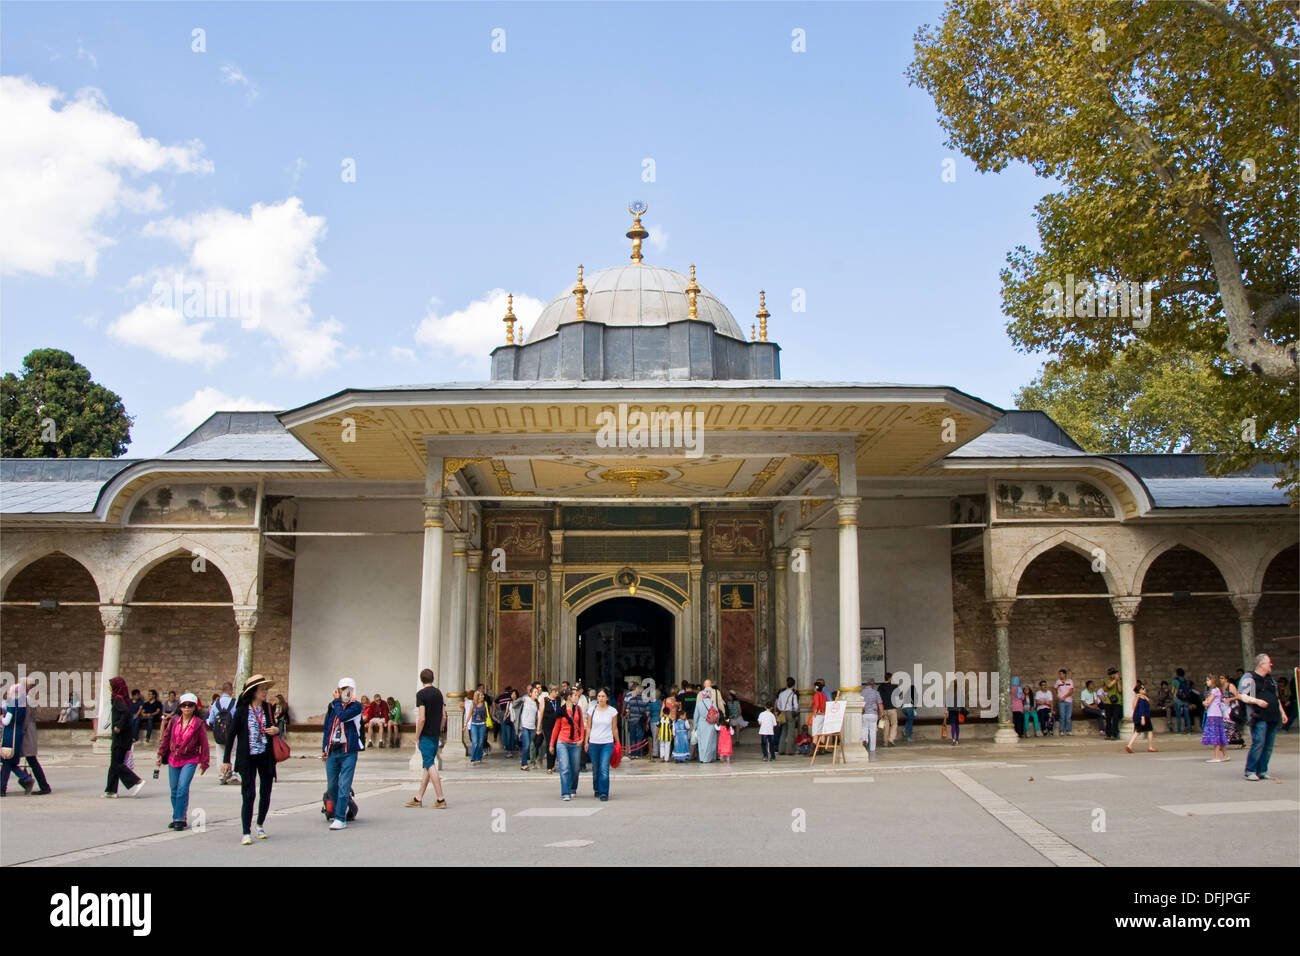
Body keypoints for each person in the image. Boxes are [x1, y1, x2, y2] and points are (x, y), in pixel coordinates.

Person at [222, 673, 280, 844]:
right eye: (262, 689)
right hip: (247, 757)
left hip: (265, 755)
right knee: (248, 794)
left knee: (266, 792)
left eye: (265, 690)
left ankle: (260, 823)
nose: (265, 693)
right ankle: (246, 831)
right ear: (253, 691)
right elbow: (231, 735)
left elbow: (274, 728)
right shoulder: (241, 711)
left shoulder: (268, 708)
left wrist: (275, 730)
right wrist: (226, 760)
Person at [155, 692, 209, 829]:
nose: (187, 709)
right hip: (174, 757)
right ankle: (178, 815)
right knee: (174, 790)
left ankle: (179, 819)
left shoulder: (198, 724)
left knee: (182, 789)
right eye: (184, 706)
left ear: (194, 708)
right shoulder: (174, 720)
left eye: (190, 706)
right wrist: (161, 754)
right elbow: (166, 738)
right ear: (180, 707)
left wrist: (204, 762)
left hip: (190, 758)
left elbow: (204, 743)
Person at [320, 677, 363, 830]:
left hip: (348, 750)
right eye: (343, 689)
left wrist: (337, 702)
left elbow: (343, 716)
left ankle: (340, 818)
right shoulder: (332, 706)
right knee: (332, 786)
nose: (346, 692)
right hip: (333, 749)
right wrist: (324, 747)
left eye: (349, 689)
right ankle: (342, 808)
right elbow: (327, 727)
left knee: (344, 785)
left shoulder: (356, 706)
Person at [1238, 653, 1287, 781]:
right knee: (1259, 742)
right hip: (1258, 716)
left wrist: (1282, 712)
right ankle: (1250, 770)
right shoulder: (1249, 677)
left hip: (1272, 715)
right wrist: (1257, 701)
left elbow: (1276, 698)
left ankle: (1262, 770)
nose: (1271, 665)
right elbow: (1242, 696)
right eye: (1268, 662)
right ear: (1261, 665)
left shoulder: (1271, 680)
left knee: (1269, 745)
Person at [406, 669, 448, 809]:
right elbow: (444, 716)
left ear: (421, 679)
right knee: (427, 767)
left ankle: (440, 798)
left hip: (426, 735)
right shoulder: (439, 693)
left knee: (430, 764)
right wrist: (440, 729)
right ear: (433, 678)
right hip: (435, 734)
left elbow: (422, 718)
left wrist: (417, 736)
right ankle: (418, 798)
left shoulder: (421, 694)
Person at [101, 676, 144, 798]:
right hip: (125, 737)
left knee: (116, 764)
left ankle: (137, 781)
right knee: (115, 763)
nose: (110, 687)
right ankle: (111, 790)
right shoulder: (123, 699)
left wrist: (118, 726)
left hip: (120, 737)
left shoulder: (117, 699)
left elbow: (125, 712)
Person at [14, 678, 52, 795]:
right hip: (29, 732)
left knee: (30, 760)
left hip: (26, 733)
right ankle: (36, 782)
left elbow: (24, 719)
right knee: (29, 760)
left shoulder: (25, 699)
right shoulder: (28, 698)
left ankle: (42, 785)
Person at [549, 688, 585, 800]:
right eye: (575, 695)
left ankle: (573, 788)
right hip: (562, 741)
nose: (577, 697)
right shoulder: (561, 710)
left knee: (575, 768)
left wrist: (582, 739)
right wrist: (551, 744)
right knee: (564, 768)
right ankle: (565, 792)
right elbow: (556, 728)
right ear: (569, 697)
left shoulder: (578, 709)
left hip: (575, 742)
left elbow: (582, 725)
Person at [583, 688, 619, 801]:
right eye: (599, 696)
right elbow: (588, 727)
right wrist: (586, 741)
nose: (601, 698)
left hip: (607, 743)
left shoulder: (612, 711)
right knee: (595, 768)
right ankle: (597, 788)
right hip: (594, 742)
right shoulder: (591, 710)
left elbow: (614, 728)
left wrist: (617, 742)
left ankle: (604, 792)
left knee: (604, 767)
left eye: (603, 696)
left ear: (607, 698)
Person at [1, 683, 37, 796]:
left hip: (10, 733)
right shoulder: (21, 704)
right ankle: (24, 780)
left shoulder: (13, 704)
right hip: (17, 733)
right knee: (9, 762)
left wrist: (1, 717)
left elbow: (7, 721)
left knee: (7, 760)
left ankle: (4, 787)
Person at [207, 682, 237, 783]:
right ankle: (232, 775)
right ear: (230, 690)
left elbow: (210, 720)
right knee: (233, 753)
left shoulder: (216, 703)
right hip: (232, 732)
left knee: (220, 754)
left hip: (219, 733)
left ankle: (221, 775)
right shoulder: (235, 703)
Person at [1200, 674, 1230, 763]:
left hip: (1213, 715)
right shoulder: (1216, 690)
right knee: (1219, 735)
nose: (1207, 682)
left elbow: (1207, 703)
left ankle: (1216, 756)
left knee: (1215, 736)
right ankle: (1225, 755)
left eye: (1208, 680)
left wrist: (1204, 702)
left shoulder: (1214, 691)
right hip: (1217, 715)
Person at [693, 680, 723, 763]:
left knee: (702, 742)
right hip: (710, 724)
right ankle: (709, 758)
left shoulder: (699, 703)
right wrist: (717, 722)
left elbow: (696, 716)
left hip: (701, 724)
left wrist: (695, 726)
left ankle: (702, 758)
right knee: (710, 742)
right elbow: (717, 714)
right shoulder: (712, 703)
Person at [1125, 681, 1157, 753]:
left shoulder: (1141, 697)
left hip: (1140, 716)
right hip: (1143, 716)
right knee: (1147, 731)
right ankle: (1150, 747)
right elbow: (1141, 709)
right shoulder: (1141, 699)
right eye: (1143, 688)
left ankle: (1130, 745)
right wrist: (1143, 718)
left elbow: (1147, 700)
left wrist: (1141, 695)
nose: (1144, 689)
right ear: (1139, 690)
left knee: (1138, 731)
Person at [539, 685, 560, 772]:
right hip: (547, 725)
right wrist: (538, 727)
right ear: (551, 692)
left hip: (556, 725)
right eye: (555, 691)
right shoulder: (544, 700)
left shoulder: (558, 700)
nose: (557, 693)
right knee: (549, 743)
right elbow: (541, 713)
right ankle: (549, 766)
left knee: (555, 744)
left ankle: (552, 764)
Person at [518, 684, 540, 771]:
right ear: (530, 693)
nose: (536, 694)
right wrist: (520, 699)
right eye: (535, 692)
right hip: (525, 726)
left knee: (532, 746)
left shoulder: (537, 703)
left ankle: (531, 761)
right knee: (526, 745)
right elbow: (515, 704)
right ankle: (524, 764)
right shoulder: (525, 700)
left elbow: (537, 716)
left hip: (532, 727)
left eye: (537, 692)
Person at [624, 683, 649, 759]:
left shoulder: (631, 700)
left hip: (632, 720)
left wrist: (628, 718)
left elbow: (627, 711)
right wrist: (647, 723)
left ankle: (633, 753)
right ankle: (638, 754)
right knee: (639, 738)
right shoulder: (645, 701)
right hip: (640, 721)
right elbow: (647, 713)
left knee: (632, 737)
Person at [776, 677, 799, 755]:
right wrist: (795, 712)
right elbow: (796, 706)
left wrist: (782, 710)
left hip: (783, 713)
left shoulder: (781, 694)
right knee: (790, 732)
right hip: (790, 713)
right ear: (793, 685)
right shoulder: (793, 695)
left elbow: (778, 705)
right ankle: (789, 750)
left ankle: (781, 750)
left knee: (783, 731)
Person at [861, 678, 883, 756]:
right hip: (873, 714)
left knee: (864, 728)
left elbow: (861, 703)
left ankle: (865, 740)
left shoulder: (862, 692)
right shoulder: (876, 693)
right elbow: (880, 703)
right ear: (873, 685)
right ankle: (872, 748)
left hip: (864, 713)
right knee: (873, 731)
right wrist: (881, 713)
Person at [467, 689, 489, 764]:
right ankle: (473, 758)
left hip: (482, 724)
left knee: (480, 742)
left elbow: (486, 715)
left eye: (483, 695)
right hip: (474, 725)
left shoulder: (484, 704)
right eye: (481, 695)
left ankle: (478, 758)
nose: (483, 696)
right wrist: (465, 724)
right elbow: (469, 714)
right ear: (477, 696)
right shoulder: (473, 704)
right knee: (475, 742)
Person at [1101, 668, 1123, 740]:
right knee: (1108, 719)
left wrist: (1118, 681)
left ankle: (1114, 734)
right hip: (1109, 702)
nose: (1113, 675)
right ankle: (1108, 734)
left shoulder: (1120, 680)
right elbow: (1109, 686)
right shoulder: (1107, 680)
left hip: (1118, 702)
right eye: (1112, 674)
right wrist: (1115, 680)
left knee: (1115, 718)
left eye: (1114, 673)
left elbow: (1120, 690)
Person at [877, 673, 899, 746]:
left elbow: (878, 697)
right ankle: (891, 739)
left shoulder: (880, 687)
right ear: (890, 678)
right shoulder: (894, 686)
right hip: (892, 708)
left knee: (885, 726)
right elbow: (899, 695)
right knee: (894, 724)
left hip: (883, 709)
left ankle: (885, 742)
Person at [1171, 668, 1192, 734]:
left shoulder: (1175, 681)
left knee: (1178, 716)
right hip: (1185, 700)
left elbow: (1172, 691)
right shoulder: (1185, 681)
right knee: (1187, 715)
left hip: (1177, 700)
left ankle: (1179, 731)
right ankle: (1189, 731)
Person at [1054, 669, 1074, 736]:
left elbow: (1071, 691)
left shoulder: (1070, 681)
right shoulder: (1058, 681)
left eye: (1061, 674)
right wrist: (1058, 696)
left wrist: (1064, 697)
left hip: (1069, 701)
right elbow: (1055, 690)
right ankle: (1061, 731)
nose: (1060, 675)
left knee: (1068, 717)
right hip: (1061, 702)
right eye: (1059, 674)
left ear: (1065, 674)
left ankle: (1069, 730)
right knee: (1062, 716)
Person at [945, 680, 964, 746]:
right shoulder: (959, 692)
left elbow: (946, 702)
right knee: (957, 726)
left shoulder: (949, 692)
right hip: (957, 711)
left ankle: (953, 739)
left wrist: (946, 711)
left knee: (953, 725)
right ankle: (957, 740)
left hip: (951, 711)